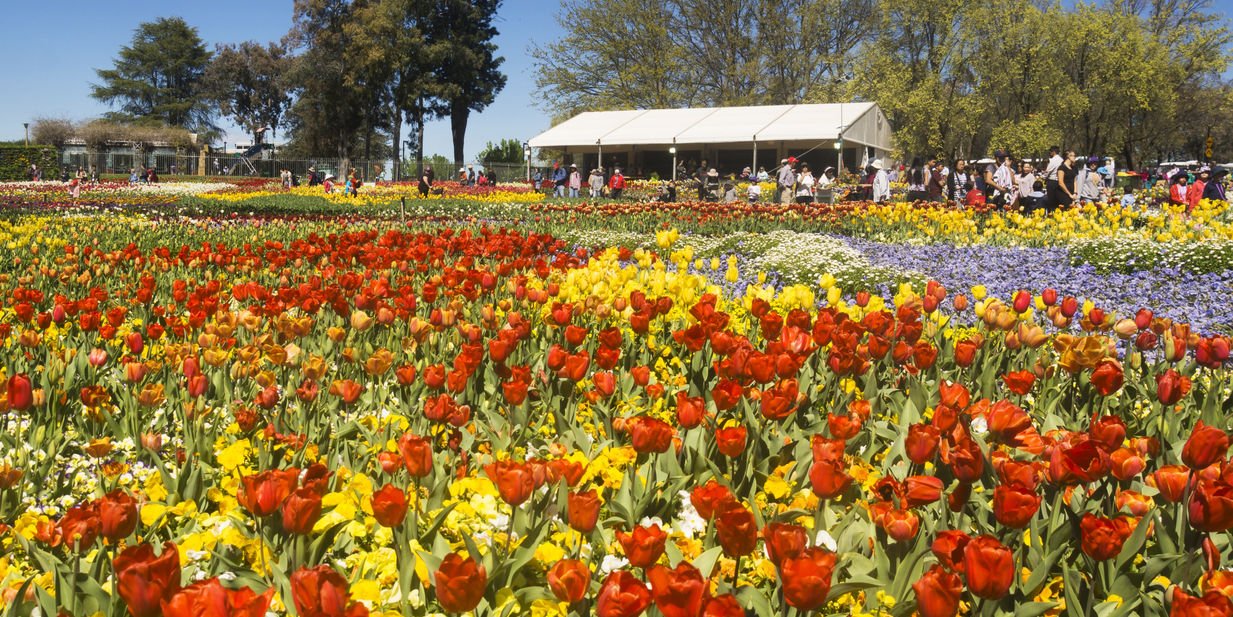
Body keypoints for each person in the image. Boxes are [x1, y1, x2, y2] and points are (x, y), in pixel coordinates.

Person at [1042, 146, 1063, 211]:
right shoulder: (1062, 160)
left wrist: (1043, 176)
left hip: (1052, 181)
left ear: (1053, 152)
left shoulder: (1053, 160)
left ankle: (1051, 212)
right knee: (1058, 200)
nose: (1049, 153)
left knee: (1051, 201)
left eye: (1050, 151)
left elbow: (1048, 171)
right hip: (1059, 181)